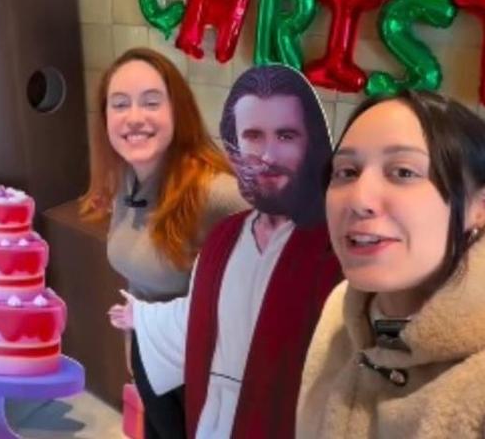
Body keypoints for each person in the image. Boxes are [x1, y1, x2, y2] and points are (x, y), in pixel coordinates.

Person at [110, 64, 343, 439]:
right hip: (177, 381)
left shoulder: (323, 249)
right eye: (253, 136)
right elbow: (201, 301)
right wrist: (141, 329)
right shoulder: (220, 235)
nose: (267, 155)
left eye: (285, 135)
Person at [297, 91, 485, 439]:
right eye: (347, 172)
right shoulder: (342, 311)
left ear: (483, 206)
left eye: (403, 171)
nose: (359, 199)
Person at [85, 48, 248, 439]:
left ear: (178, 111)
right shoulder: (127, 178)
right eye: (119, 104)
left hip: (201, 370)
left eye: (151, 102)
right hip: (152, 358)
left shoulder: (215, 192)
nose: (134, 117)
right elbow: (140, 278)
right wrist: (134, 340)